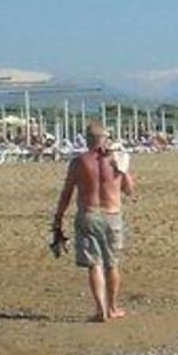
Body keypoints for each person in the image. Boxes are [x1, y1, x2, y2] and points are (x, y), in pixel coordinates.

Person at [52, 121, 135, 322]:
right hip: (111, 215)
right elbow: (129, 190)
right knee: (111, 263)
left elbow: (67, 193)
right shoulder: (115, 160)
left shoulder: (79, 162)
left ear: (88, 140)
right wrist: (122, 170)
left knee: (94, 264)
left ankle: (100, 310)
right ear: (105, 139)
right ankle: (112, 307)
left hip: (88, 214)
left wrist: (58, 217)